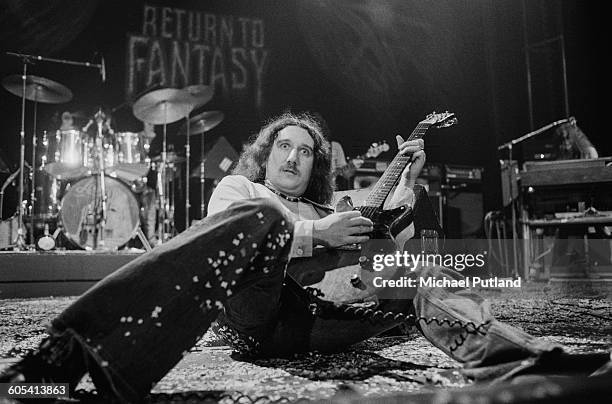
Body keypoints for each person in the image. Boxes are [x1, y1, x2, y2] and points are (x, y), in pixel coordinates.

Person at [0, 112, 605, 402]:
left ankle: (525, 359)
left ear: (318, 166)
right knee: (262, 223)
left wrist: (407, 191)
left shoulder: (334, 203)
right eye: (282, 148)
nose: (292, 159)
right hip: (261, 315)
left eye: (305, 152)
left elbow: (385, 238)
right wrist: (317, 238)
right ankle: (71, 356)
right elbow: (232, 244)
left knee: (411, 264)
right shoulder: (242, 193)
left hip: (329, 324)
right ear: (265, 156)